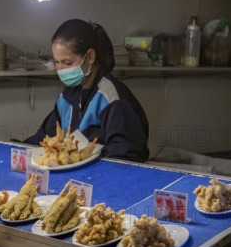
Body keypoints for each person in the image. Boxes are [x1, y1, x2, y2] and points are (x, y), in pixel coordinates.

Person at [24, 19, 149, 162]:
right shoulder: (67, 98)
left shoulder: (110, 98)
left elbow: (124, 155)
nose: (60, 69)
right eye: (57, 62)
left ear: (90, 57)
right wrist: (16, 148)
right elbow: (46, 137)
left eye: (67, 62)